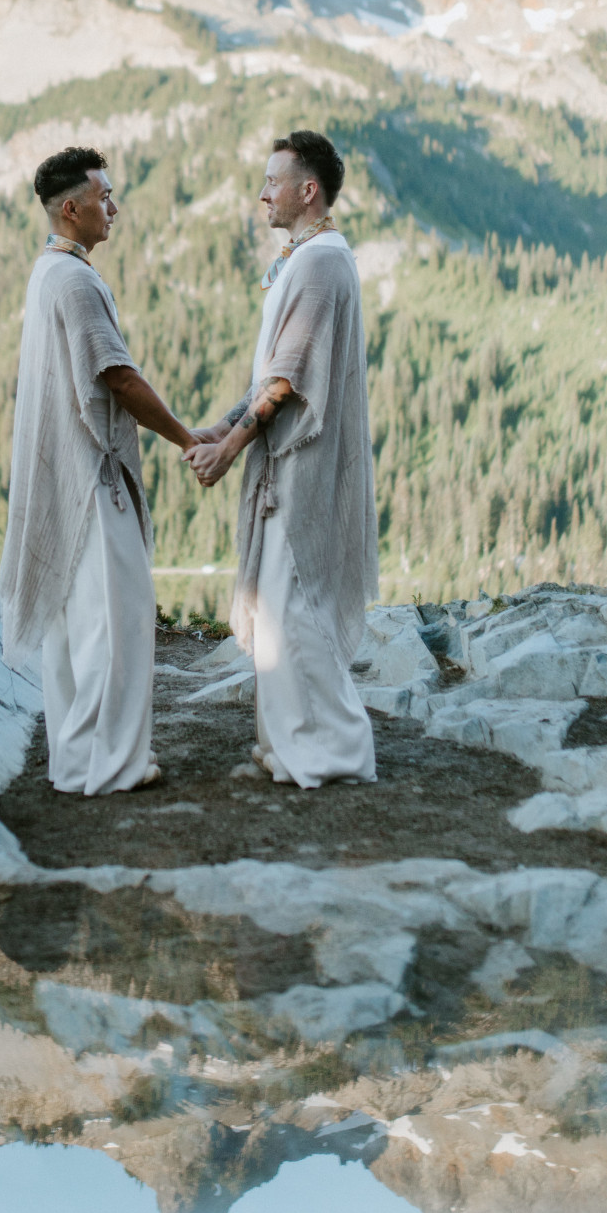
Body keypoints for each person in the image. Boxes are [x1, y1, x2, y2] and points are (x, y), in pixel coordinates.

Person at [0, 146, 196, 795]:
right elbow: (117, 376)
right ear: (71, 208)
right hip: (91, 478)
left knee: (72, 630)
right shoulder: (76, 282)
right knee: (115, 624)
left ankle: (76, 761)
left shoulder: (48, 271)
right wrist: (186, 438)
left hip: (65, 480)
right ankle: (112, 765)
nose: (114, 207)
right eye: (104, 196)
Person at [184, 131, 378, 788]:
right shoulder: (310, 258)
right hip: (286, 463)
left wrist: (229, 449)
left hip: (302, 464)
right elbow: (272, 374)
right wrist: (218, 428)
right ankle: (288, 745)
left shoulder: (321, 263)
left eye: (273, 181)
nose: (262, 193)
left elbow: (288, 378)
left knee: (294, 607)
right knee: (278, 605)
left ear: (308, 190)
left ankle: (335, 749)